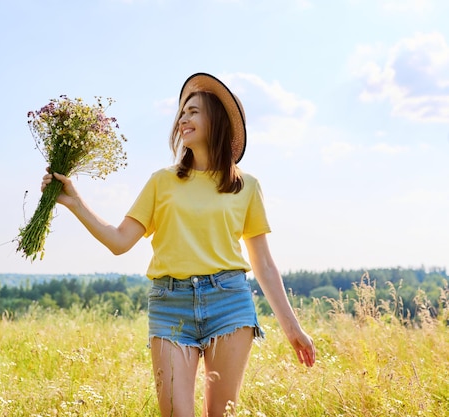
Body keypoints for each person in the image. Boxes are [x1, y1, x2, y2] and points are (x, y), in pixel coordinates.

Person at [41, 72, 315, 417]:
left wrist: (293, 328)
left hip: (228, 302)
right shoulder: (162, 182)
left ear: (216, 121)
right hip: (171, 305)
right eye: (182, 113)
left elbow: (263, 263)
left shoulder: (246, 186)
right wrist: (75, 203)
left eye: (194, 111)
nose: (183, 119)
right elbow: (120, 241)